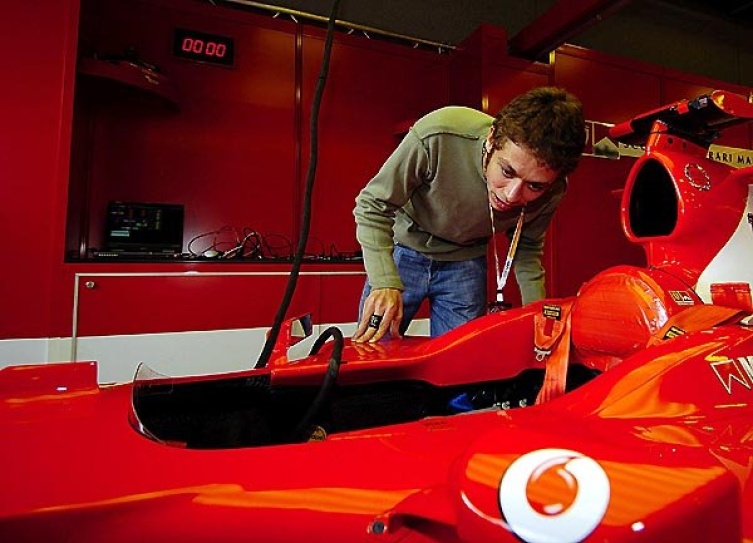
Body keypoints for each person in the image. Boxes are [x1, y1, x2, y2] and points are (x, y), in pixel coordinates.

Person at [352, 86, 586, 343]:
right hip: (403, 249)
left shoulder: (553, 190)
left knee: (460, 363)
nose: (511, 195)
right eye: (507, 172)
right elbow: (372, 205)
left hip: (466, 261)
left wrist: (539, 315)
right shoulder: (439, 134)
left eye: (534, 186)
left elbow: (526, 247)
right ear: (491, 138)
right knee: (376, 350)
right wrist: (384, 280)